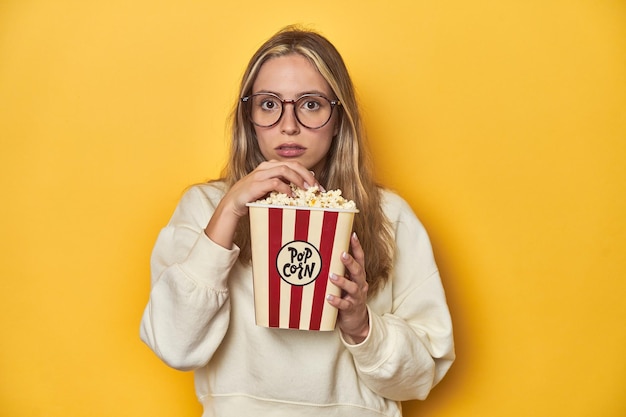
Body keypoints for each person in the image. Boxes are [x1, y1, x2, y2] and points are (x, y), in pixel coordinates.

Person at [140, 25, 455, 417]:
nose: (289, 125)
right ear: (248, 117)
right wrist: (228, 212)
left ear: (339, 117)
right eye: (269, 104)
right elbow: (173, 345)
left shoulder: (390, 216)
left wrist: (361, 325)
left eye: (310, 104)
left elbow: (421, 376)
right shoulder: (205, 208)